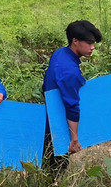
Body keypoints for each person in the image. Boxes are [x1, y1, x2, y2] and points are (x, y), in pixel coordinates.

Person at [43, 20, 103, 173]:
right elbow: (72, 106)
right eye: (89, 43)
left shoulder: (60, 53)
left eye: (94, 43)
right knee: (57, 168)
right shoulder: (69, 71)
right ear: (75, 41)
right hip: (58, 127)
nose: (92, 47)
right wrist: (74, 139)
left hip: (49, 117)